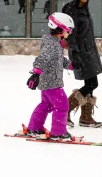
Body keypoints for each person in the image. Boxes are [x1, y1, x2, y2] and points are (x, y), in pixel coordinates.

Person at [25, 12, 75, 141]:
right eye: (69, 30)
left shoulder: (54, 42)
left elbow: (58, 60)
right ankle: (58, 132)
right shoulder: (52, 44)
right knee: (62, 105)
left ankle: (34, 127)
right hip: (52, 82)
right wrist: (35, 74)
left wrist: (71, 65)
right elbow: (43, 58)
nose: (69, 33)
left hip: (48, 81)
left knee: (46, 105)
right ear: (61, 28)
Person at [62, 0, 102, 128]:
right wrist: (75, 52)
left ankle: (86, 117)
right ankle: (65, 110)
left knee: (90, 84)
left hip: (89, 52)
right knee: (92, 83)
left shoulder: (83, 9)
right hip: (80, 52)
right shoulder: (72, 9)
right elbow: (69, 34)